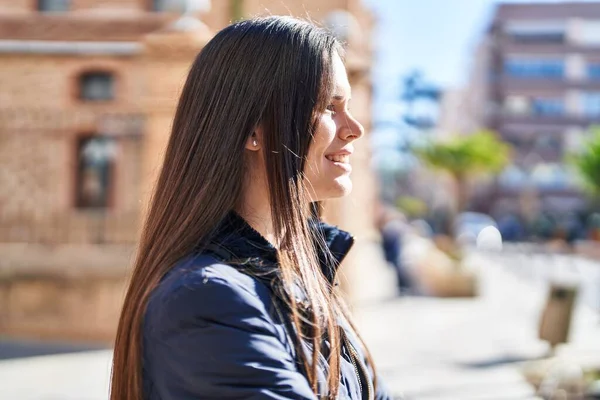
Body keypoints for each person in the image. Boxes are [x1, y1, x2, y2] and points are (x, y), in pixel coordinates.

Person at [110, 16, 393, 400]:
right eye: (330, 106)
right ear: (253, 129)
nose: (353, 128)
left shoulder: (305, 278)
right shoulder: (206, 299)